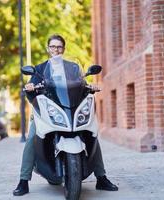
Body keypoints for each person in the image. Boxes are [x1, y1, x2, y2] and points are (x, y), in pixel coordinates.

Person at [13, 34, 118, 196]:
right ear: (48, 49)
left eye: (59, 46)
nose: (56, 49)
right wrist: (30, 87)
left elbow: (81, 85)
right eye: (53, 46)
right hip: (47, 111)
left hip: (70, 110)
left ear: (64, 49)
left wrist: (91, 87)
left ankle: (101, 178)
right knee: (32, 137)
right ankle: (23, 180)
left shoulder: (73, 68)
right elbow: (31, 93)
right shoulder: (40, 69)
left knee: (91, 135)